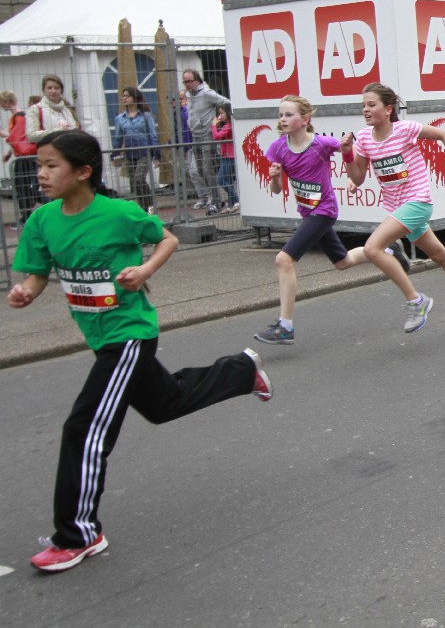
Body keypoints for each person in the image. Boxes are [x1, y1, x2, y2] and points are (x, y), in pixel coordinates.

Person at [7, 129, 272, 573]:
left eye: (51, 165)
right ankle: (241, 371)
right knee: (164, 403)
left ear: (83, 172)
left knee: (84, 428)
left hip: (129, 334)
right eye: (39, 166)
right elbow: (36, 272)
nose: (41, 174)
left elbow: (167, 238)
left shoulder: (118, 213)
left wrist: (145, 269)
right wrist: (27, 291)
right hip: (98, 337)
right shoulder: (42, 221)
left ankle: (79, 534)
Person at [254, 96, 403, 345]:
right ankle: (388, 250)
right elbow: (276, 190)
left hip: (323, 211)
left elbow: (353, 155)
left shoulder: (321, 144)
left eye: (289, 114)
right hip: (307, 212)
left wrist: (352, 176)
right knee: (343, 262)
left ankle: (285, 326)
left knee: (283, 260)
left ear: (305, 119)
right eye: (280, 115)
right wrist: (274, 178)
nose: (283, 119)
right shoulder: (278, 148)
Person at [341, 82, 445, 334]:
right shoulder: (363, 138)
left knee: (373, 248)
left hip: (417, 202)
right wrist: (347, 155)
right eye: (363, 105)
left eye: (371, 105)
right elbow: (358, 177)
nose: (365, 110)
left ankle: (416, 301)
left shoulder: (404, 129)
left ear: (388, 109)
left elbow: (444, 135)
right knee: (439, 255)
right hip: (397, 209)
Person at [181, 69, 230, 214]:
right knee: (200, 170)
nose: (188, 84)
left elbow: (225, 102)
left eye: (190, 81)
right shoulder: (189, 95)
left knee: (208, 169)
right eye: (185, 82)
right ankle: (213, 197)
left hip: (207, 135)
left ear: (197, 81)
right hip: (195, 135)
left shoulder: (207, 93)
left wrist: (222, 119)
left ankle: (217, 201)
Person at [111, 86, 160, 214]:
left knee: (139, 178)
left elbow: (153, 135)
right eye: (123, 96)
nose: (124, 98)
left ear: (135, 98)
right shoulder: (120, 118)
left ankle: (149, 205)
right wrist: (114, 154)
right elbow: (118, 138)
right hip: (130, 154)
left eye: (127, 96)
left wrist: (157, 155)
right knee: (134, 182)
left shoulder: (146, 116)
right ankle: (144, 208)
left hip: (144, 152)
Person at [5, 91, 41, 226]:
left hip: (24, 157)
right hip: (22, 156)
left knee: (23, 186)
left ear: (7, 101)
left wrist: (4, 134)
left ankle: (27, 215)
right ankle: (26, 215)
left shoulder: (19, 116)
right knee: (23, 186)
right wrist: (10, 152)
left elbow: (19, 137)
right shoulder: (17, 116)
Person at [25, 74, 81, 144]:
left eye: (57, 88)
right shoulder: (35, 109)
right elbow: (31, 136)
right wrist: (59, 131)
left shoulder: (68, 109)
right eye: (49, 88)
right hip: (49, 148)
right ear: (43, 90)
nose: (53, 91)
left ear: (61, 90)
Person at [210, 105, 239, 213]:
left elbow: (217, 137)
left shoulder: (229, 125)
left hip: (229, 156)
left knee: (220, 179)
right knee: (228, 180)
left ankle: (236, 200)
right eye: (219, 113)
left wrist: (214, 126)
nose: (220, 115)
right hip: (225, 155)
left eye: (222, 113)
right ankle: (231, 205)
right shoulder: (226, 125)